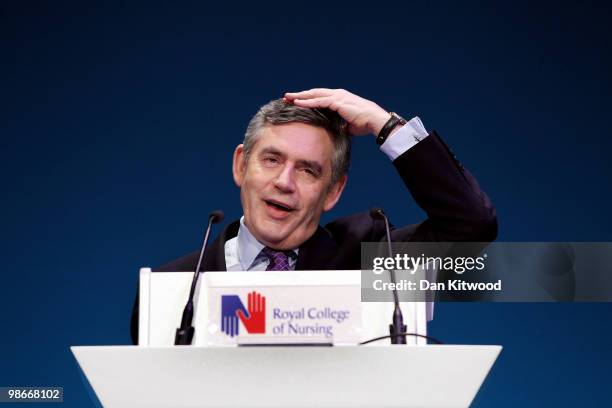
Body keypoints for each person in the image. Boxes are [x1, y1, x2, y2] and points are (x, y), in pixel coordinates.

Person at [130, 88, 497, 344]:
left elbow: (471, 226)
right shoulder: (173, 287)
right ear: (241, 165)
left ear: (333, 191)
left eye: (308, 170)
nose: (284, 182)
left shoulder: (369, 266)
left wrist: (386, 126)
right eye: (271, 160)